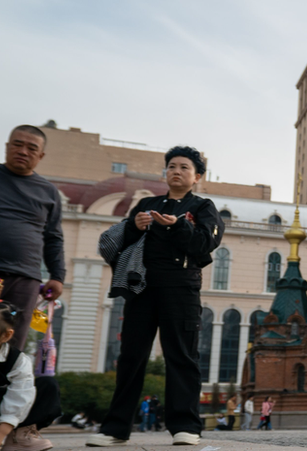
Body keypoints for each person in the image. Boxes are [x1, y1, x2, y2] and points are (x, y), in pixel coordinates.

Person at [87, 146, 225, 448]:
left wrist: (179, 226)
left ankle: (185, 427)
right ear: (165, 172)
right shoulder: (146, 204)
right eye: (172, 166)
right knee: (131, 358)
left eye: (184, 167)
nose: (176, 171)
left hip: (181, 289)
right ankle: (115, 428)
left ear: (197, 176)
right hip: (142, 288)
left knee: (182, 356)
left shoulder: (204, 207)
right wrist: (135, 228)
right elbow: (124, 244)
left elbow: (205, 244)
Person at [0, 125, 66, 351]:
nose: (23, 151)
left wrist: (57, 276)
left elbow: (54, 237)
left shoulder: (48, 192)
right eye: (17, 144)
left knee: (12, 342)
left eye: (31, 148)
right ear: (8, 147)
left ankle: (3, 385)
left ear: (41, 155)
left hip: (24, 278)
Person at [0, 301, 61, 451]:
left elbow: (20, 395)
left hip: (13, 415)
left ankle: (19, 437)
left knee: (48, 384)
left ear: (5, 335)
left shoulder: (17, 360)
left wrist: (1, 432)